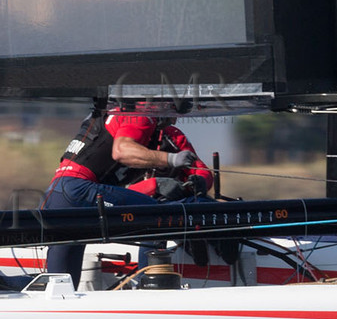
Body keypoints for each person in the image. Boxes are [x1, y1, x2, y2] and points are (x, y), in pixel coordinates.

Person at [42, 109, 213, 286]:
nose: (175, 120)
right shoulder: (142, 115)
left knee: (60, 287)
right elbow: (122, 151)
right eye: (175, 111)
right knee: (157, 217)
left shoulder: (161, 131)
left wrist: (199, 181)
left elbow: (200, 170)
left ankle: (11, 286)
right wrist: (163, 171)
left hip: (57, 195)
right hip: (82, 191)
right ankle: (147, 290)